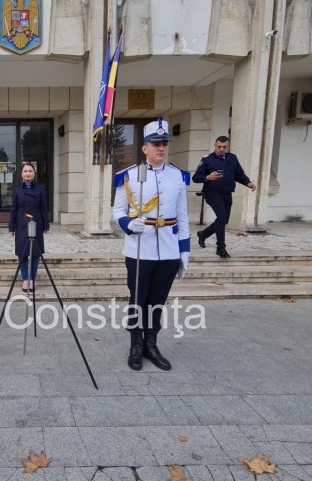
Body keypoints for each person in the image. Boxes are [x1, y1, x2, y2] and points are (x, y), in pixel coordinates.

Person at [112, 118, 190, 371]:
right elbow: (118, 210)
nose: (161, 148)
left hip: (167, 247)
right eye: (155, 144)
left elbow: (182, 216)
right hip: (139, 248)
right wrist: (127, 223)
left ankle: (151, 344)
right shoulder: (130, 176)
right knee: (138, 299)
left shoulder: (178, 176)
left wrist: (184, 250)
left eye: (164, 143)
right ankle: (136, 344)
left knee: (158, 300)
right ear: (144, 148)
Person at [192, 136, 257, 258]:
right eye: (219, 147)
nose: (221, 149)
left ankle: (203, 234)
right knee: (221, 217)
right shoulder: (207, 159)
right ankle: (220, 248)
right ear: (215, 146)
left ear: (228, 146)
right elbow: (196, 177)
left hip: (227, 193)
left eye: (224, 147)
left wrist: (248, 183)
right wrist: (207, 177)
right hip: (212, 193)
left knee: (224, 220)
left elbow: (239, 175)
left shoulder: (232, 158)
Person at [8, 162, 49, 292]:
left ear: (34, 173)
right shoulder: (17, 190)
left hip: (36, 223)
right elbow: (14, 209)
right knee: (22, 253)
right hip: (21, 224)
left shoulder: (40, 189)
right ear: (21, 174)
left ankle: (32, 279)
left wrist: (45, 224)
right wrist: (12, 226)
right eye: (25, 171)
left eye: (30, 171)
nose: (28, 174)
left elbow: (43, 208)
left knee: (36, 254)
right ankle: (25, 279)